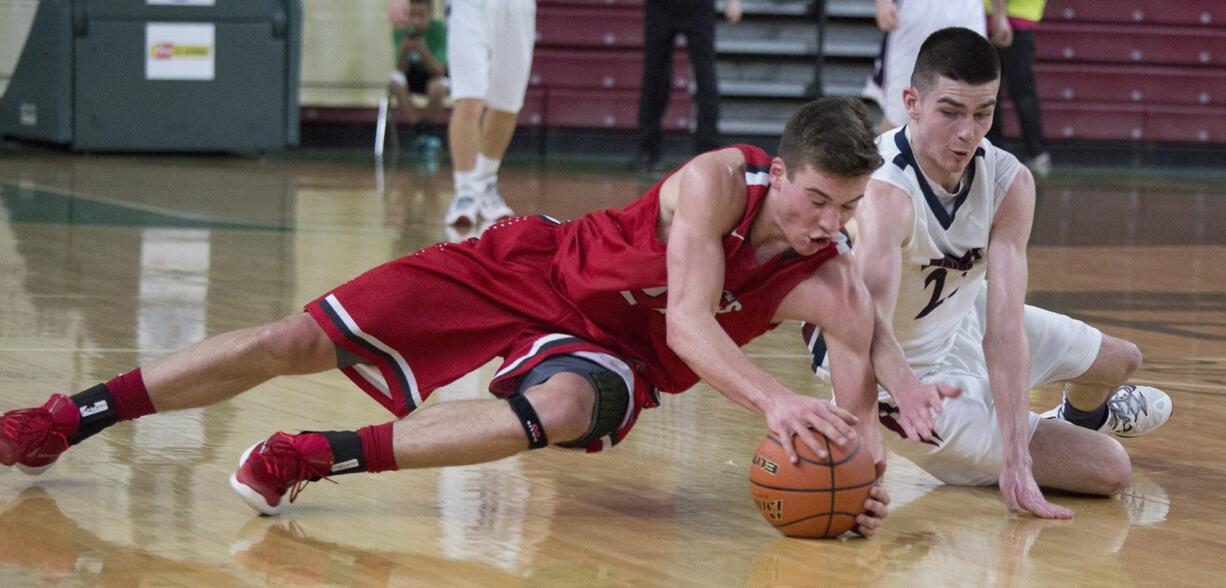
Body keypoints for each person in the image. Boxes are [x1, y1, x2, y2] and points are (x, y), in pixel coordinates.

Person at [0, 98, 943, 537]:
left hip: (615, 352)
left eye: (843, 210)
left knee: (566, 407)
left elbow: (860, 362)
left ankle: (311, 455)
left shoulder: (829, 273)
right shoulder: (712, 184)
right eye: (814, 199)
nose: (825, 223)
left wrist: (855, 470)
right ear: (778, 171)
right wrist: (777, 402)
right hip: (526, 266)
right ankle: (66, 420)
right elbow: (696, 322)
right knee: (293, 338)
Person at [803, 28, 1171, 518]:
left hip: (958, 315)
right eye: (950, 112)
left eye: (984, 113)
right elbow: (862, 335)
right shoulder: (884, 194)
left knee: (1122, 358)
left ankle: (1081, 416)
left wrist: (1018, 456)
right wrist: (864, 449)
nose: (967, 132)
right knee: (1109, 469)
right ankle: (1017, 432)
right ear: (911, 102)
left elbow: (1005, 330)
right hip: (900, 374)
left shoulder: (1008, 181)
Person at [439, 0, 535, 225]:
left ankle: (484, 183)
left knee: (507, 104)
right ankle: (465, 191)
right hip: (469, 7)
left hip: (517, 7)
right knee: (468, 97)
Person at [632, 0, 742, 172]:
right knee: (655, 76)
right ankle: (648, 150)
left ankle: (708, 151)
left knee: (705, 76)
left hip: (697, 6)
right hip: (661, 6)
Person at [874, 0, 1001, 130]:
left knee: (974, 101)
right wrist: (883, 3)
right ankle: (887, 150)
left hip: (968, 13)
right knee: (900, 110)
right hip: (916, 17)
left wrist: (999, 14)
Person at [985, 0, 1051, 177]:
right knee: (997, 90)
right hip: (1003, 18)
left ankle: (998, 151)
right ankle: (996, 151)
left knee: (1008, 90)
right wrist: (1000, 15)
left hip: (1012, 18)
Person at [387, 0, 449, 165]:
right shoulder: (401, 30)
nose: (415, 21)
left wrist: (424, 52)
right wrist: (404, 51)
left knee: (437, 87)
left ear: (430, 12)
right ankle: (418, 128)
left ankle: (428, 130)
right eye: (411, 16)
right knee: (394, 82)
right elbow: (400, 69)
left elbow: (439, 70)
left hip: (432, 75)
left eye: (420, 16)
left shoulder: (439, 30)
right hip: (411, 76)